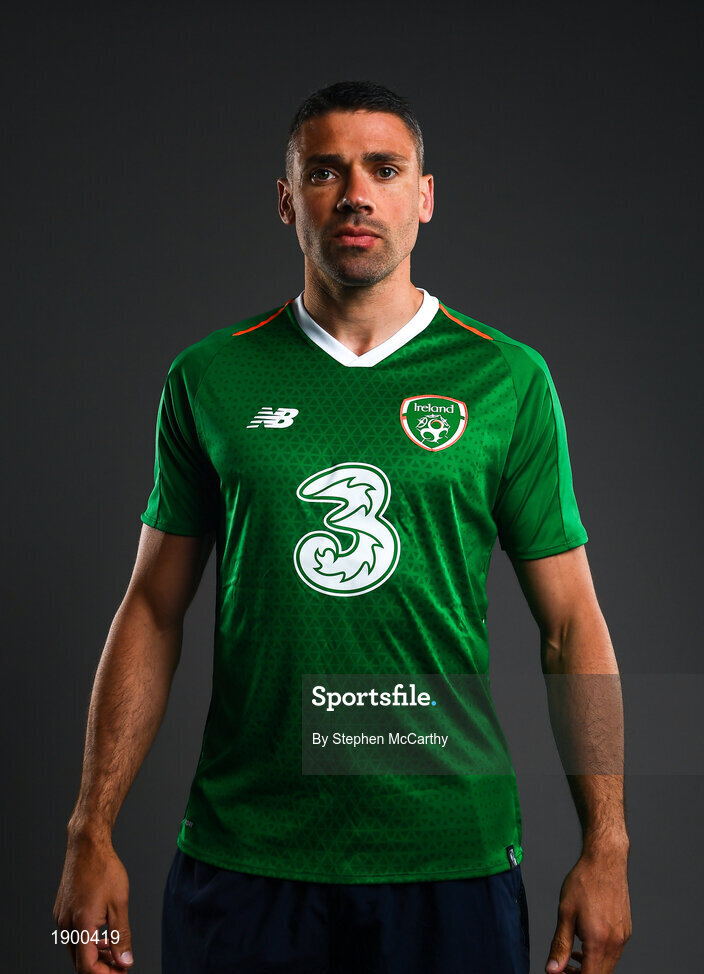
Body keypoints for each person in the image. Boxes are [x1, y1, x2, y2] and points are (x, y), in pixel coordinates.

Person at [54, 81, 631, 974]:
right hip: (246, 856)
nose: (356, 193)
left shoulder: (506, 378)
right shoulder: (210, 376)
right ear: (288, 200)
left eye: (384, 170)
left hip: (449, 857)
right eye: (325, 172)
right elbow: (153, 610)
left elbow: (570, 624)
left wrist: (609, 847)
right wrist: (89, 832)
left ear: (424, 197)